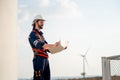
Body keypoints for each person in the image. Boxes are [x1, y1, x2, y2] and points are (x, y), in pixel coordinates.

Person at [28, 15, 59, 80]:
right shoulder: (32, 35)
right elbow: (42, 45)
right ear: (36, 22)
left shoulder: (41, 35)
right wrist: (53, 45)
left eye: (43, 22)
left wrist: (61, 47)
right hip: (39, 60)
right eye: (41, 21)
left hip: (45, 60)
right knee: (39, 78)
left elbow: (49, 49)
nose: (43, 23)